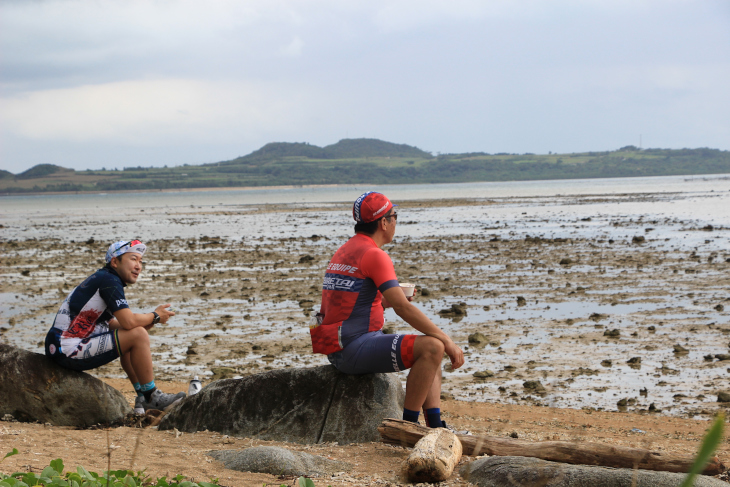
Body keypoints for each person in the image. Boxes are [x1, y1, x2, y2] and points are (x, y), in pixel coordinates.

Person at [310, 191, 465, 429]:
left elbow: (350, 303)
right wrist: (448, 340)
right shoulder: (374, 255)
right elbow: (403, 308)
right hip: (353, 348)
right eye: (395, 216)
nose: (395, 222)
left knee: (431, 345)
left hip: (339, 346)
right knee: (433, 346)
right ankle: (408, 429)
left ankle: (436, 427)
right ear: (384, 222)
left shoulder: (345, 250)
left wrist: (382, 302)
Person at [45, 240, 186, 413]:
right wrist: (155, 316)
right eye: (133, 259)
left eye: (141, 261)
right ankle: (152, 397)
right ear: (115, 262)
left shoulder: (103, 278)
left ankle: (142, 397)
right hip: (68, 349)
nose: (138, 266)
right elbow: (128, 321)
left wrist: (147, 322)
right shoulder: (110, 281)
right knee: (137, 334)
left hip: (60, 347)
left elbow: (112, 324)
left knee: (134, 333)